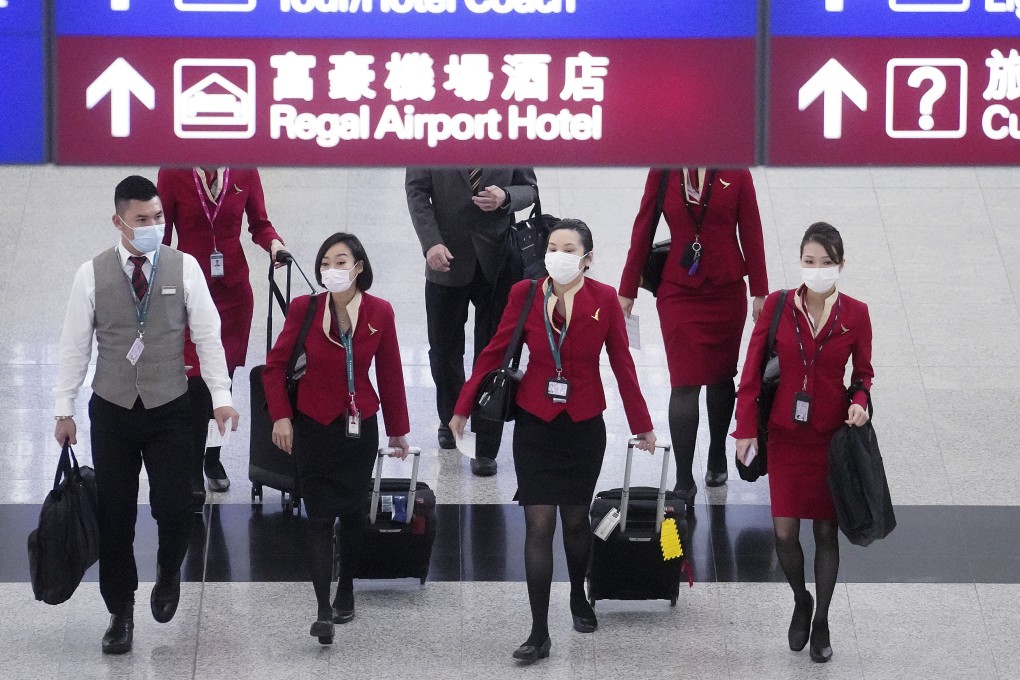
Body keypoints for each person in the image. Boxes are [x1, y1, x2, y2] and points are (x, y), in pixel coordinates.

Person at [450, 219, 656, 663]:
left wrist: (643, 424)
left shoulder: (603, 300)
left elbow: (622, 365)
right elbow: (494, 351)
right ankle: (539, 631)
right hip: (535, 423)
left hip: (583, 424)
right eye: (552, 247)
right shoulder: (525, 294)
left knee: (577, 521)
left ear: (587, 258)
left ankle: (579, 595)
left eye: (568, 248)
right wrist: (463, 406)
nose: (557, 255)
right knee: (539, 524)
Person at [53, 175, 240, 655]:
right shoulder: (91, 274)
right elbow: (74, 345)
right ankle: (121, 612)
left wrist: (221, 394)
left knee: (175, 506)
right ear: (119, 222)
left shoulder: (185, 267)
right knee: (116, 516)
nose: (154, 226)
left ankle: (168, 570)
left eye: (158, 217)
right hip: (113, 409)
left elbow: (208, 335)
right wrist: (63, 407)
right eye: (142, 220)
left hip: (173, 406)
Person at [733, 222, 873, 664]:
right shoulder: (777, 307)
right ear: (800, 262)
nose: (817, 270)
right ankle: (800, 598)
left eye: (827, 263)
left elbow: (864, 374)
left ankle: (823, 619)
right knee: (784, 532)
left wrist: (862, 401)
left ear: (841, 265)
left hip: (830, 436)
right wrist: (744, 430)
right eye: (810, 262)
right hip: (786, 436)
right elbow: (751, 373)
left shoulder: (856, 313)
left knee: (826, 530)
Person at [262, 232, 411, 645]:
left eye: (341, 261)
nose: (332, 269)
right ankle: (322, 609)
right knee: (319, 516)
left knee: (352, 514)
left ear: (359, 267)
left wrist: (398, 429)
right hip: (312, 425)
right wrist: (281, 417)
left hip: (359, 425)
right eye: (326, 262)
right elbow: (274, 369)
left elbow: (391, 372)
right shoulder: (304, 309)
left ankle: (346, 585)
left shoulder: (380, 311)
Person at [618, 167, 768, 506]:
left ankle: (717, 454)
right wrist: (627, 288)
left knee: (720, 376)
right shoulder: (664, 172)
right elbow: (643, 228)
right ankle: (683, 476)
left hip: (726, 288)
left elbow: (752, 229)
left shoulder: (737, 172)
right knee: (683, 381)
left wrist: (760, 290)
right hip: (678, 289)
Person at [157, 166, 288, 493]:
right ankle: (190, 466)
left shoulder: (244, 171)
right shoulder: (173, 172)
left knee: (222, 381)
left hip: (233, 295)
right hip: (189, 289)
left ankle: (212, 457)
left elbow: (259, 224)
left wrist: (274, 245)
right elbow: (162, 233)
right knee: (195, 380)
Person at [406, 167, 538, 475]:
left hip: (499, 257)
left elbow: (529, 188)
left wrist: (506, 197)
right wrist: (430, 242)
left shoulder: (511, 128)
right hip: (444, 256)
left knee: (494, 353)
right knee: (443, 349)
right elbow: (416, 192)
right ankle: (451, 416)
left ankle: (486, 442)